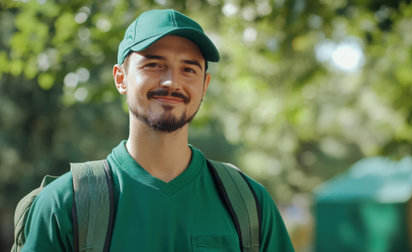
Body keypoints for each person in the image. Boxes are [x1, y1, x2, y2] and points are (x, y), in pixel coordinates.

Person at [21, 9, 295, 251]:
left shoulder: (250, 203)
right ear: (121, 78)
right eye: (153, 64)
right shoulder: (65, 203)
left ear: (205, 85)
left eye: (188, 69)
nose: (171, 82)